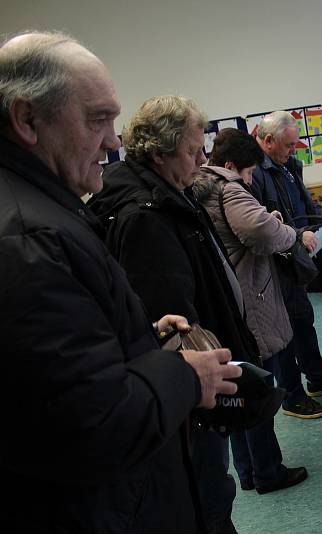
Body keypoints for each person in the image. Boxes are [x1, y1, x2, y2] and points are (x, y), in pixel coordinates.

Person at [0, 31, 242, 533]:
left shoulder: (42, 208)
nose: (114, 140)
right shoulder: (30, 236)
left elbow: (56, 366)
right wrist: (185, 375)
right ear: (26, 120)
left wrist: (138, 337)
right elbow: (93, 419)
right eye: (97, 120)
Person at [87, 95, 263, 533]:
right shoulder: (146, 214)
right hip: (190, 392)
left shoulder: (166, 195)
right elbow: (171, 318)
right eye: (192, 151)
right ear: (160, 152)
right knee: (208, 494)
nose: (202, 160)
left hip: (191, 385)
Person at [192, 128, 308, 493]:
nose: (249, 180)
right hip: (251, 298)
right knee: (258, 390)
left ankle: (248, 472)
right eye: (247, 173)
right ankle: (268, 472)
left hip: (225, 302)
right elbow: (260, 232)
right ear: (230, 166)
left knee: (235, 388)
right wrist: (291, 233)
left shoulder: (200, 188)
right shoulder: (229, 188)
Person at [250, 111, 322, 419]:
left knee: (303, 321)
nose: (293, 151)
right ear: (267, 141)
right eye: (288, 146)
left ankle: (319, 379)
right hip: (273, 265)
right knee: (284, 335)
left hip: (294, 259)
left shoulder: (287, 166)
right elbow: (261, 224)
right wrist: (298, 233)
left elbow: (302, 202)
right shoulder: (254, 173)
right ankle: (292, 396)